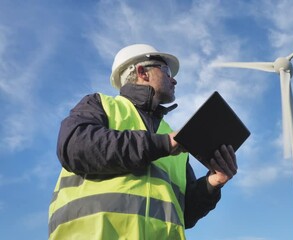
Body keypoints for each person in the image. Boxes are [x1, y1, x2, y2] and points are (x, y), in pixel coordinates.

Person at [48, 44, 238, 239]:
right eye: (166, 71)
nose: (174, 80)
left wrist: (212, 184)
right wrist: (161, 144)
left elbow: (185, 214)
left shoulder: (173, 139)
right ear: (142, 72)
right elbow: (75, 146)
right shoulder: (101, 105)